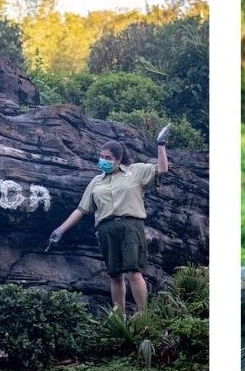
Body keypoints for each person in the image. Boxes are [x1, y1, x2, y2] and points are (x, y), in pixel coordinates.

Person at [49, 125, 171, 316]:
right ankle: (118, 318)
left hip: (130, 225)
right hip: (106, 228)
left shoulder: (135, 172)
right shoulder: (97, 182)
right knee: (115, 274)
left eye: (108, 158)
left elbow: (162, 170)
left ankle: (143, 315)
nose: (103, 161)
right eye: (101, 157)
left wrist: (161, 143)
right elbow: (82, 209)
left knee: (133, 271)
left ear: (118, 159)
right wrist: (60, 229)